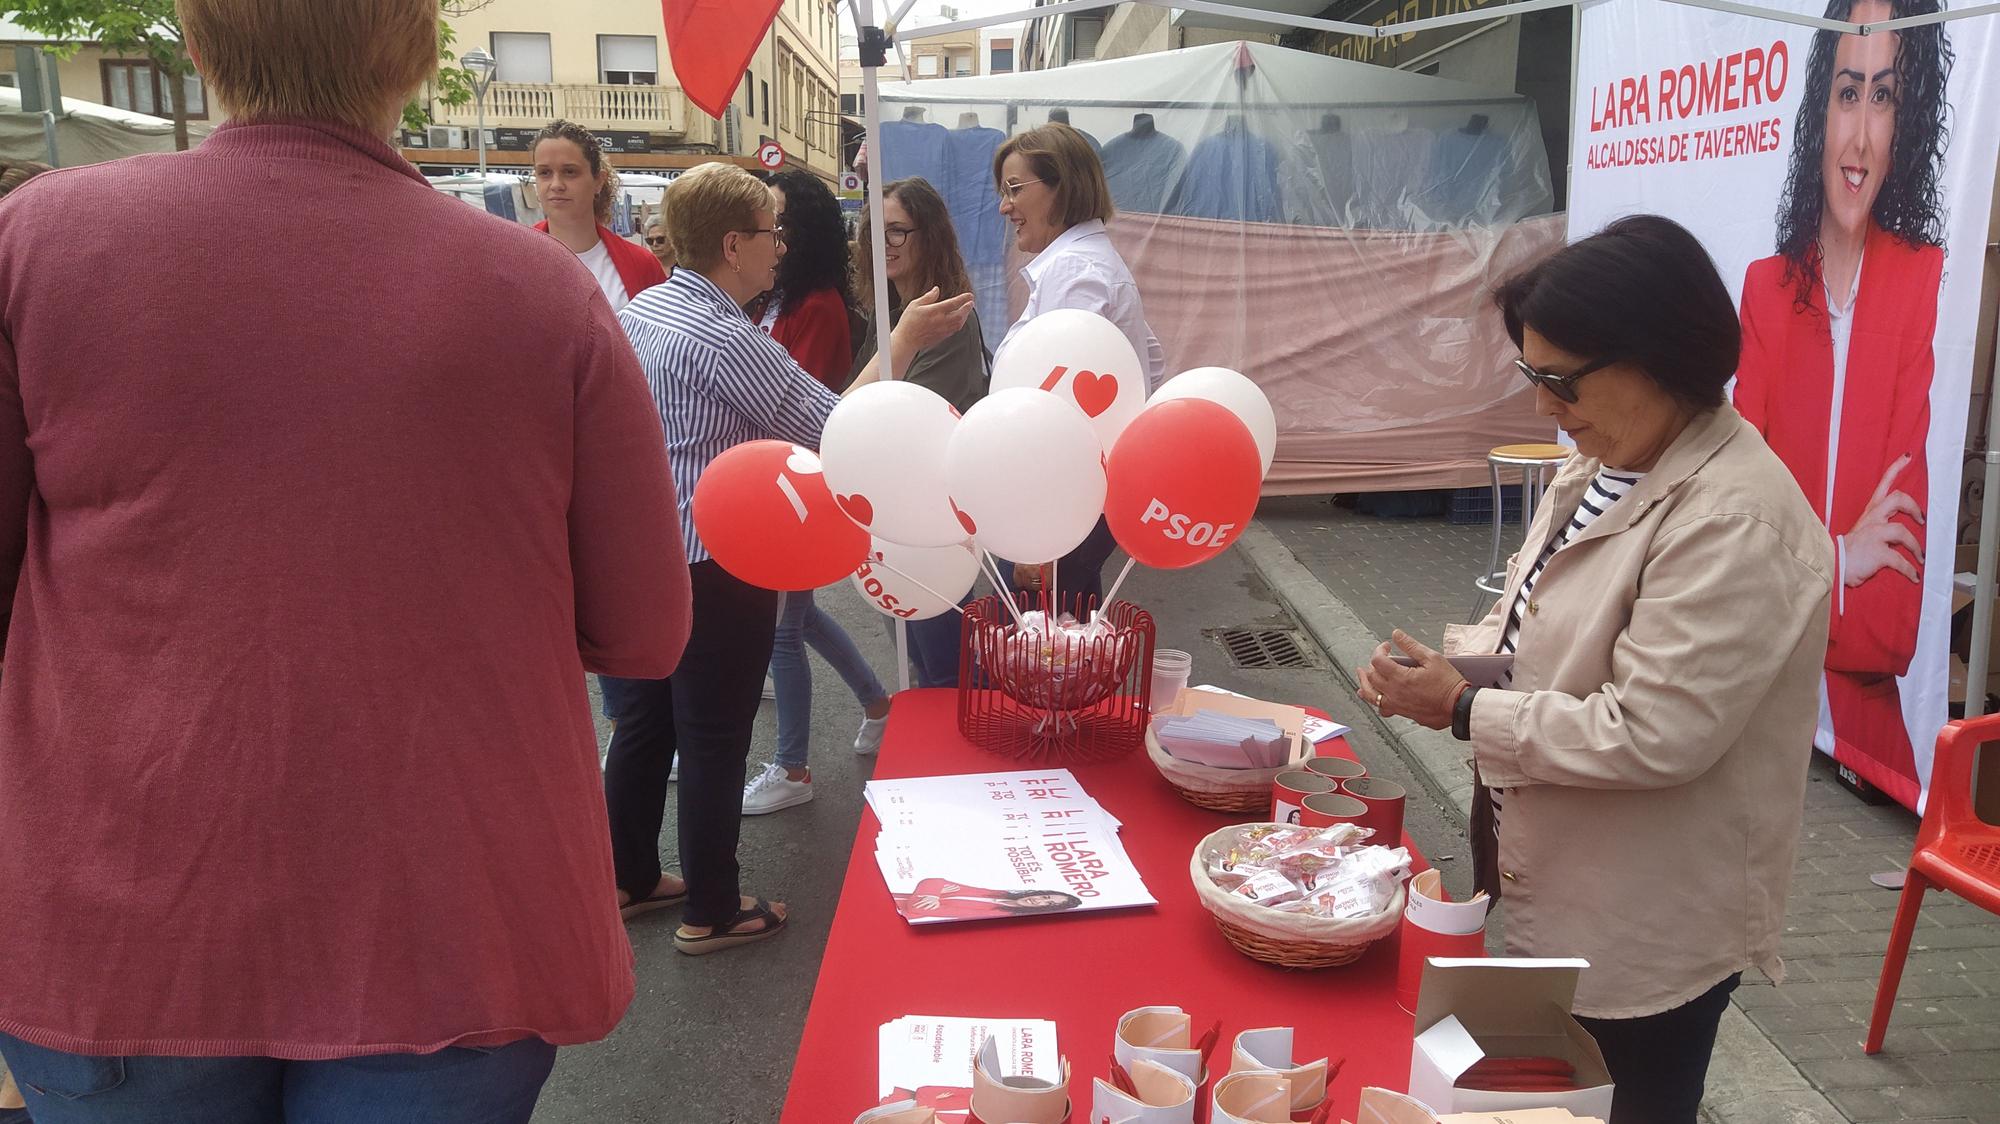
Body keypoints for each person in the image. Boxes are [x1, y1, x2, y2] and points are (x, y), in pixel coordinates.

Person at [0, 2, 692, 1120]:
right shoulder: (542, 293)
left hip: (119, 919)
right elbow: (646, 628)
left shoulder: (35, 242)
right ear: (416, 57)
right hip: (453, 918)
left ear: (198, 40)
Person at [1355, 216, 1833, 1124]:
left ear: (1659, 357)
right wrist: (1460, 665)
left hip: (1640, 928)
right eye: (1534, 377)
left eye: (1561, 381)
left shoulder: (1735, 518)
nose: (1545, 407)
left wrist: (1462, 709)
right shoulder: (1604, 464)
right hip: (1553, 883)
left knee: (1623, 1100)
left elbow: (1654, 732)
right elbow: (1539, 634)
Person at [606, 162, 970, 952]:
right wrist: (902, 339)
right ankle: (711, 906)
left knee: (645, 722)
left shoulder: (646, 310)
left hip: (641, 547)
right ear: (733, 244)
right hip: (711, 558)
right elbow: (837, 431)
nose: (783, 245)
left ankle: (629, 875)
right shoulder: (725, 336)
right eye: (773, 232)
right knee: (712, 730)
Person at [1733, 0, 1952, 810]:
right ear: (1818, 107)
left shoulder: (1922, 281)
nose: (1860, 138)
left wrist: (1792, 583)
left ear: (1911, 118)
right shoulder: (1766, 288)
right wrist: (1839, 556)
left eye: (1885, 97)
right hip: (1751, 713)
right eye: (1848, 91)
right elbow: (1737, 525)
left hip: (1867, 742)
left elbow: (1891, 620)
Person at [741, 170, 891, 816]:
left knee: (783, 630)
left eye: (781, 224)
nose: (772, 238)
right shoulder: (781, 298)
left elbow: (802, 405)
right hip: (778, 479)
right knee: (799, 618)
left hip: (798, 484)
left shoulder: (819, 305)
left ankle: (793, 767)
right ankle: (878, 703)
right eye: (765, 225)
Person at [992, 123, 1165, 608]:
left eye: (1014, 189)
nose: (1005, 206)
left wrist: (1042, 534)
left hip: (1062, 505)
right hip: (1081, 502)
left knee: (1043, 659)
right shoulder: (1090, 261)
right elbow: (1150, 359)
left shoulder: (1073, 269)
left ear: (1061, 186)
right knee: (1071, 646)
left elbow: (1064, 412)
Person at [850, 177, 991, 687]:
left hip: (929, 521)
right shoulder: (890, 313)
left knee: (947, 675)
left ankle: (959, 760)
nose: (881, 245)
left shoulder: (945, 318)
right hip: (895, 521)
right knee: (916, 657)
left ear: (928, 235)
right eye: (873, 231)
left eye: (896, 232)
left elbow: (904, 418)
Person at [532, 119, 666, 314]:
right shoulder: (512, 258)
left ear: (598, 181)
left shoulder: (642, 264)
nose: (556, 184)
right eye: (544, 172)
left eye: (570, 172)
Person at [893, 879, 1084, 920]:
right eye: (1045, 896)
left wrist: (938, 894)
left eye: (1048, 904)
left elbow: (920, 908)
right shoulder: (994, 893)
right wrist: (935, 893)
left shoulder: (997, 914)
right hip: (891, 896)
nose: (1039, 901)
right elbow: (933, 881)